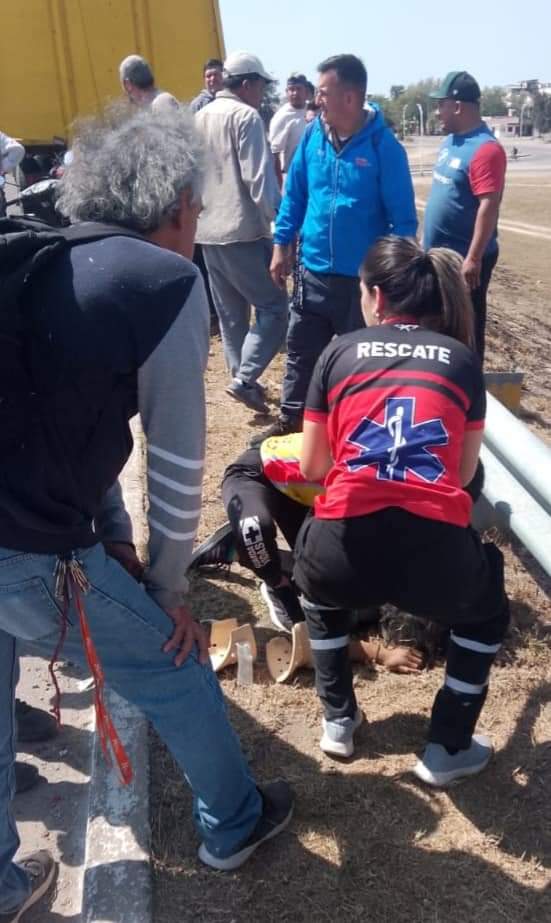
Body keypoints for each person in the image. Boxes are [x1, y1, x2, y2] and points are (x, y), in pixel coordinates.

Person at [0, 106, 293, 920]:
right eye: (196, 211)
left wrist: (115, 536)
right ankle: (234, 822)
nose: (197, 227)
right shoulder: (163, 283)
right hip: (25, 548)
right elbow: (173, 461)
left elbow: (53, 413)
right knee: (172, 665)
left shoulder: (36, 246)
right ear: (176, 208)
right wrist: (168, 590)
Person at [291, 236, 509, 772]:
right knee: (486, 614)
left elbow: (313, 469)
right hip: (437, 559)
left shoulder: (338, 352)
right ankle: (449, 747)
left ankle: (338, 720)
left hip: (343, 554)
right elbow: (459, 477)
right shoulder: (462, 361)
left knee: (318, 591)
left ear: (375, 297)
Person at [254, 54, 417, 444]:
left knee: (360, 362)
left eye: (323, 93)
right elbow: (295, 195)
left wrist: (393, 281)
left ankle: (355, 433)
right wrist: (282, 246)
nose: (316, 101)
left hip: (361, 285)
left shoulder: (384, 147)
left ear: (350, 97)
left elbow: (404, 222)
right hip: (312, 272)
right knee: (300, 351)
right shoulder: (312, 135)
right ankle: (292, 421)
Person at [189, 435, 424, 675]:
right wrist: (379, 653)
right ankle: (266, 572)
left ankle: (238, 549)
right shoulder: (370, 491)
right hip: (259, 473)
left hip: (305, 488)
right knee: (256, 533)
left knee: (344, 590)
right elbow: (309, 640)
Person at [195, 51, 288, 414]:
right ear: (247, 84)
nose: (263, 93)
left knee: (232, 314)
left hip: (207, 232)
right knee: (274, 308)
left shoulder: (200, 117)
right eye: (262, 85)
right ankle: (245, 378)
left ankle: (242, 378)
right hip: (243, 231)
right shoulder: (245, 117)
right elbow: (259, 179)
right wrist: (282, 224)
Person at [423, 71, 507, 360]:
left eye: (440, 105)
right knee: (438, 325)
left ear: (457, 106)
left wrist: (473, 258)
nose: (437, 112)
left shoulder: (485, 149)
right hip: (438, 256)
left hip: (464, 261)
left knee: (466, 328)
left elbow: (489, 205)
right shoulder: (449, 143)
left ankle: (469, 387)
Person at [268, 73, 309, 187]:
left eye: (299, 89)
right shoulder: (282, 117)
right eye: (291, 89)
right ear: (286, 92)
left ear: (306, 92)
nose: (295, 93)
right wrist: (279, 187)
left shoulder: (315, 111)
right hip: (292, 176)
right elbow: (274, 155)